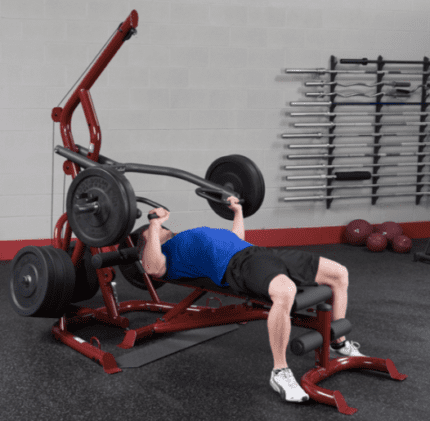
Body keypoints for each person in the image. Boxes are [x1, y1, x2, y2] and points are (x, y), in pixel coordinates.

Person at [140, 197, 366, 404]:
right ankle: (280, 372)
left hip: (261, 253)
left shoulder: (186, 235)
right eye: (151, 234)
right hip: (239, 267)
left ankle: (338, 343)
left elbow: (237, 240)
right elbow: (152, 268)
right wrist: (153, 225)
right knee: (285, 291)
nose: (162, 229)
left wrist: (237, 212)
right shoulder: (165, 252)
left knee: (339, 273)